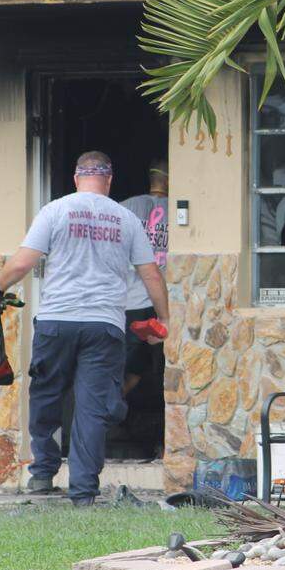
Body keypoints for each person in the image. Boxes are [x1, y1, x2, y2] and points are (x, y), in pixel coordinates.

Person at [0, 150, 169, 506]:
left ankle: (42, 473)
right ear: (109, 179)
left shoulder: (55, 210)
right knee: (92, 406)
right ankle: (83, 492)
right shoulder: (125, 218)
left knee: (46, 393)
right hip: (105, 326)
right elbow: (150, 273)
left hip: (57, 320)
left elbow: (24, 262)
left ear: (75, 178)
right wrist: (163, 319)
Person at [120, 159, 169, 397]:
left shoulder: (124, 208)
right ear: (169, 180)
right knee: (153, 368)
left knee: (129, 367)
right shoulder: (179, 207)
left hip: (129, 302)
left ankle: (108, 414)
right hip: (163, 302)